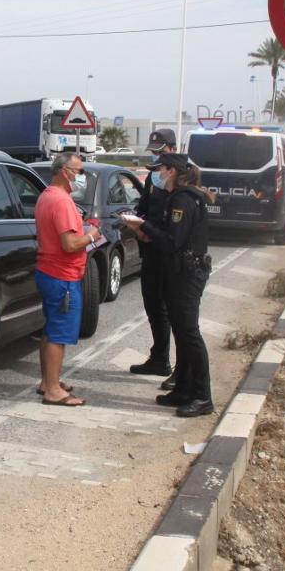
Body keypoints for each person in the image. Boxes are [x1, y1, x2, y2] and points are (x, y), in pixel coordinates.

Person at [120, 154, 214, 418]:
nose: (157, 174)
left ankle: (202, 396)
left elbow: (173, 241)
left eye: (161, 169)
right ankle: (183, 389)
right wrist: (141, 228)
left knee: (189, 334)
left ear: (171, 171)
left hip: (187, 273)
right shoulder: (178, 197)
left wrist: (144, 225)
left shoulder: (183, 200)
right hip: (178, 271)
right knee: (182, 334)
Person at [33, 152, 102, 407]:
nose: (81, 176)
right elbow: (70, 243)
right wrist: (92, 235)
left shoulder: (47, 196)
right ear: (64, 171)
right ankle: (53, 390)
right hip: (61, 276)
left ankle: (47, 381)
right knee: (59, 333)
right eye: (79, 171)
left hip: (50, 272)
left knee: (51, 330)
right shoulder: (61, 201)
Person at [130, 127, 177, 381]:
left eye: (161, 152)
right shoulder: (153, 178)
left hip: (171, 254)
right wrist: (136, 220)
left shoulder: (184, 176)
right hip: (150, 251)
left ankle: (181, 371)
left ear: (173, 149)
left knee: (175, 313)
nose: (157, 158)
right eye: (154, 153)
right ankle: (159, 358)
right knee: (153, 306)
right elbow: (145, 208)